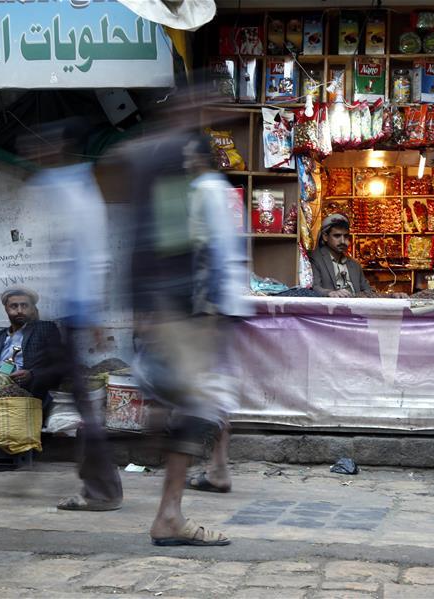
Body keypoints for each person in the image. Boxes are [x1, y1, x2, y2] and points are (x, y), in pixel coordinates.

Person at [125, 124, 250, 546]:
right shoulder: (198, 190)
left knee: (199, 400)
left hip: (194, 311)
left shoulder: (195, 190)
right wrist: (205, 318)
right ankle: (172, 512)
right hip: (195, 313)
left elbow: (204, 254)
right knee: (200, 401)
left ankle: (182, 500)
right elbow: (206, 254)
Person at [17, 119, 124, 512]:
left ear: (53, 148)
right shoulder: (53, 185)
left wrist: (93, 313)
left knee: (79, 395)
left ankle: (103, 488)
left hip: (77, 309)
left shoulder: (77, 187)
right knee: (76, 394)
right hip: (68, 309)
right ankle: (100, 484)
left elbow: (93, 252)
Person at [309, 214, 373, 298]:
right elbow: (313, 287)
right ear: (325, 237)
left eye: (346, 236)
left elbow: (368, 291)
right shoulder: (314, 259)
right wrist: (330, 293)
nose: (343, 241)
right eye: (337, 236)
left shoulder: (355, 265)